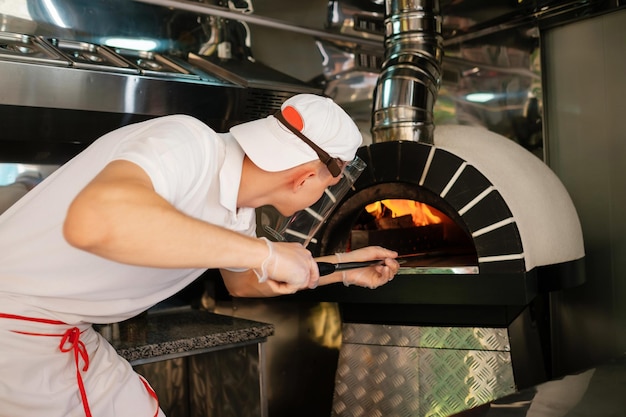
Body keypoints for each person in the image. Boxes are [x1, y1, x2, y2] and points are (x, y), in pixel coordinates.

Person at [0, 93, 399, 417]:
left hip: (64, 333)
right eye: (330, 185)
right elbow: (93, 220)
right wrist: (265, 253)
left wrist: (344, 270)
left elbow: (244, 281)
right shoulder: (186, 142)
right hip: (15, 338)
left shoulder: (239, 208)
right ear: (305, 178)